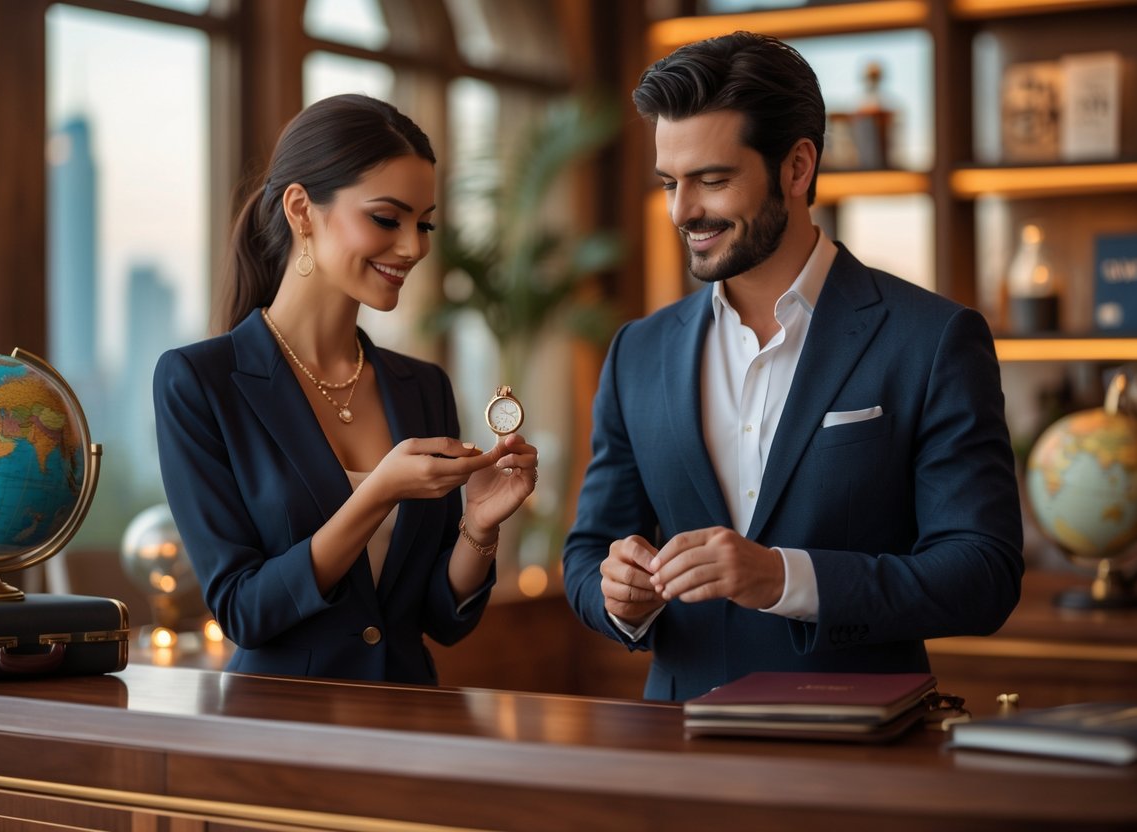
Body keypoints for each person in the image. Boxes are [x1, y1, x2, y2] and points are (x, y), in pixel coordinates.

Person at [562, 32, 1023, 702]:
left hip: (864, 751)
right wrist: (618, 596)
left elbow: (982, 575)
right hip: (676, 755)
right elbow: (587, 552)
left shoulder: (931, 339)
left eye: (712, 180)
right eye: (669, 182)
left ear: (797, 168)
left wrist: (782, 578)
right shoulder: (638, 351)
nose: (681, 210)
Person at [153, 94, 537, 684]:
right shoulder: (199, 382)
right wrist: (376, 493)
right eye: (388, 218)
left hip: (409, 728)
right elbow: (243, 610)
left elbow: (441, 619)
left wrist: (479, 529)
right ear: (302, 209)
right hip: (281, 736)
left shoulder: (423, 386)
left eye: (424, 223)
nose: (414, 247)